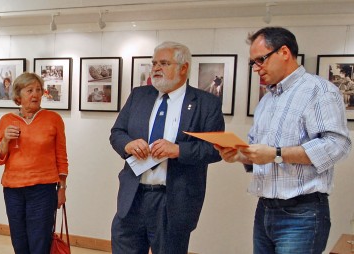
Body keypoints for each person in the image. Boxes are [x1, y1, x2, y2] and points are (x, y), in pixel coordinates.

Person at [215, 27, 351, 254]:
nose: (256, 68)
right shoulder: (267, 100)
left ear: (285, 52)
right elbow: (259, 151)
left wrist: (277, 153)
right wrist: (240, 156)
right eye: (253, 63)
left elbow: (337, 145)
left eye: (261, 60)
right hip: (265, 209)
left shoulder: (319, 90)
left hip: (303, 214)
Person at [109, 41, 224, 254]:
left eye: (163, 63)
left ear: (183, 68)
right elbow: (117, 133)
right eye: (154, 63)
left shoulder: (206, 103)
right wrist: (128, 144)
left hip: (172, 201)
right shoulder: (139, 95)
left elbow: (216, 149)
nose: (156, 68)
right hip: (133, 197)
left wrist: (179, 150)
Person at [0, 72, 69, 254]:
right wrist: (5, 141)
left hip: (43, 190)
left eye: (38, 90)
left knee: (40, 242)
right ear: (18, 96)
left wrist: (62, 189)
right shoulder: (7, 120)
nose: (35, 94)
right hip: (13, 190)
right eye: (29, 90)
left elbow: (62, 157)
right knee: (19, 241)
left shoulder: (53, 119)